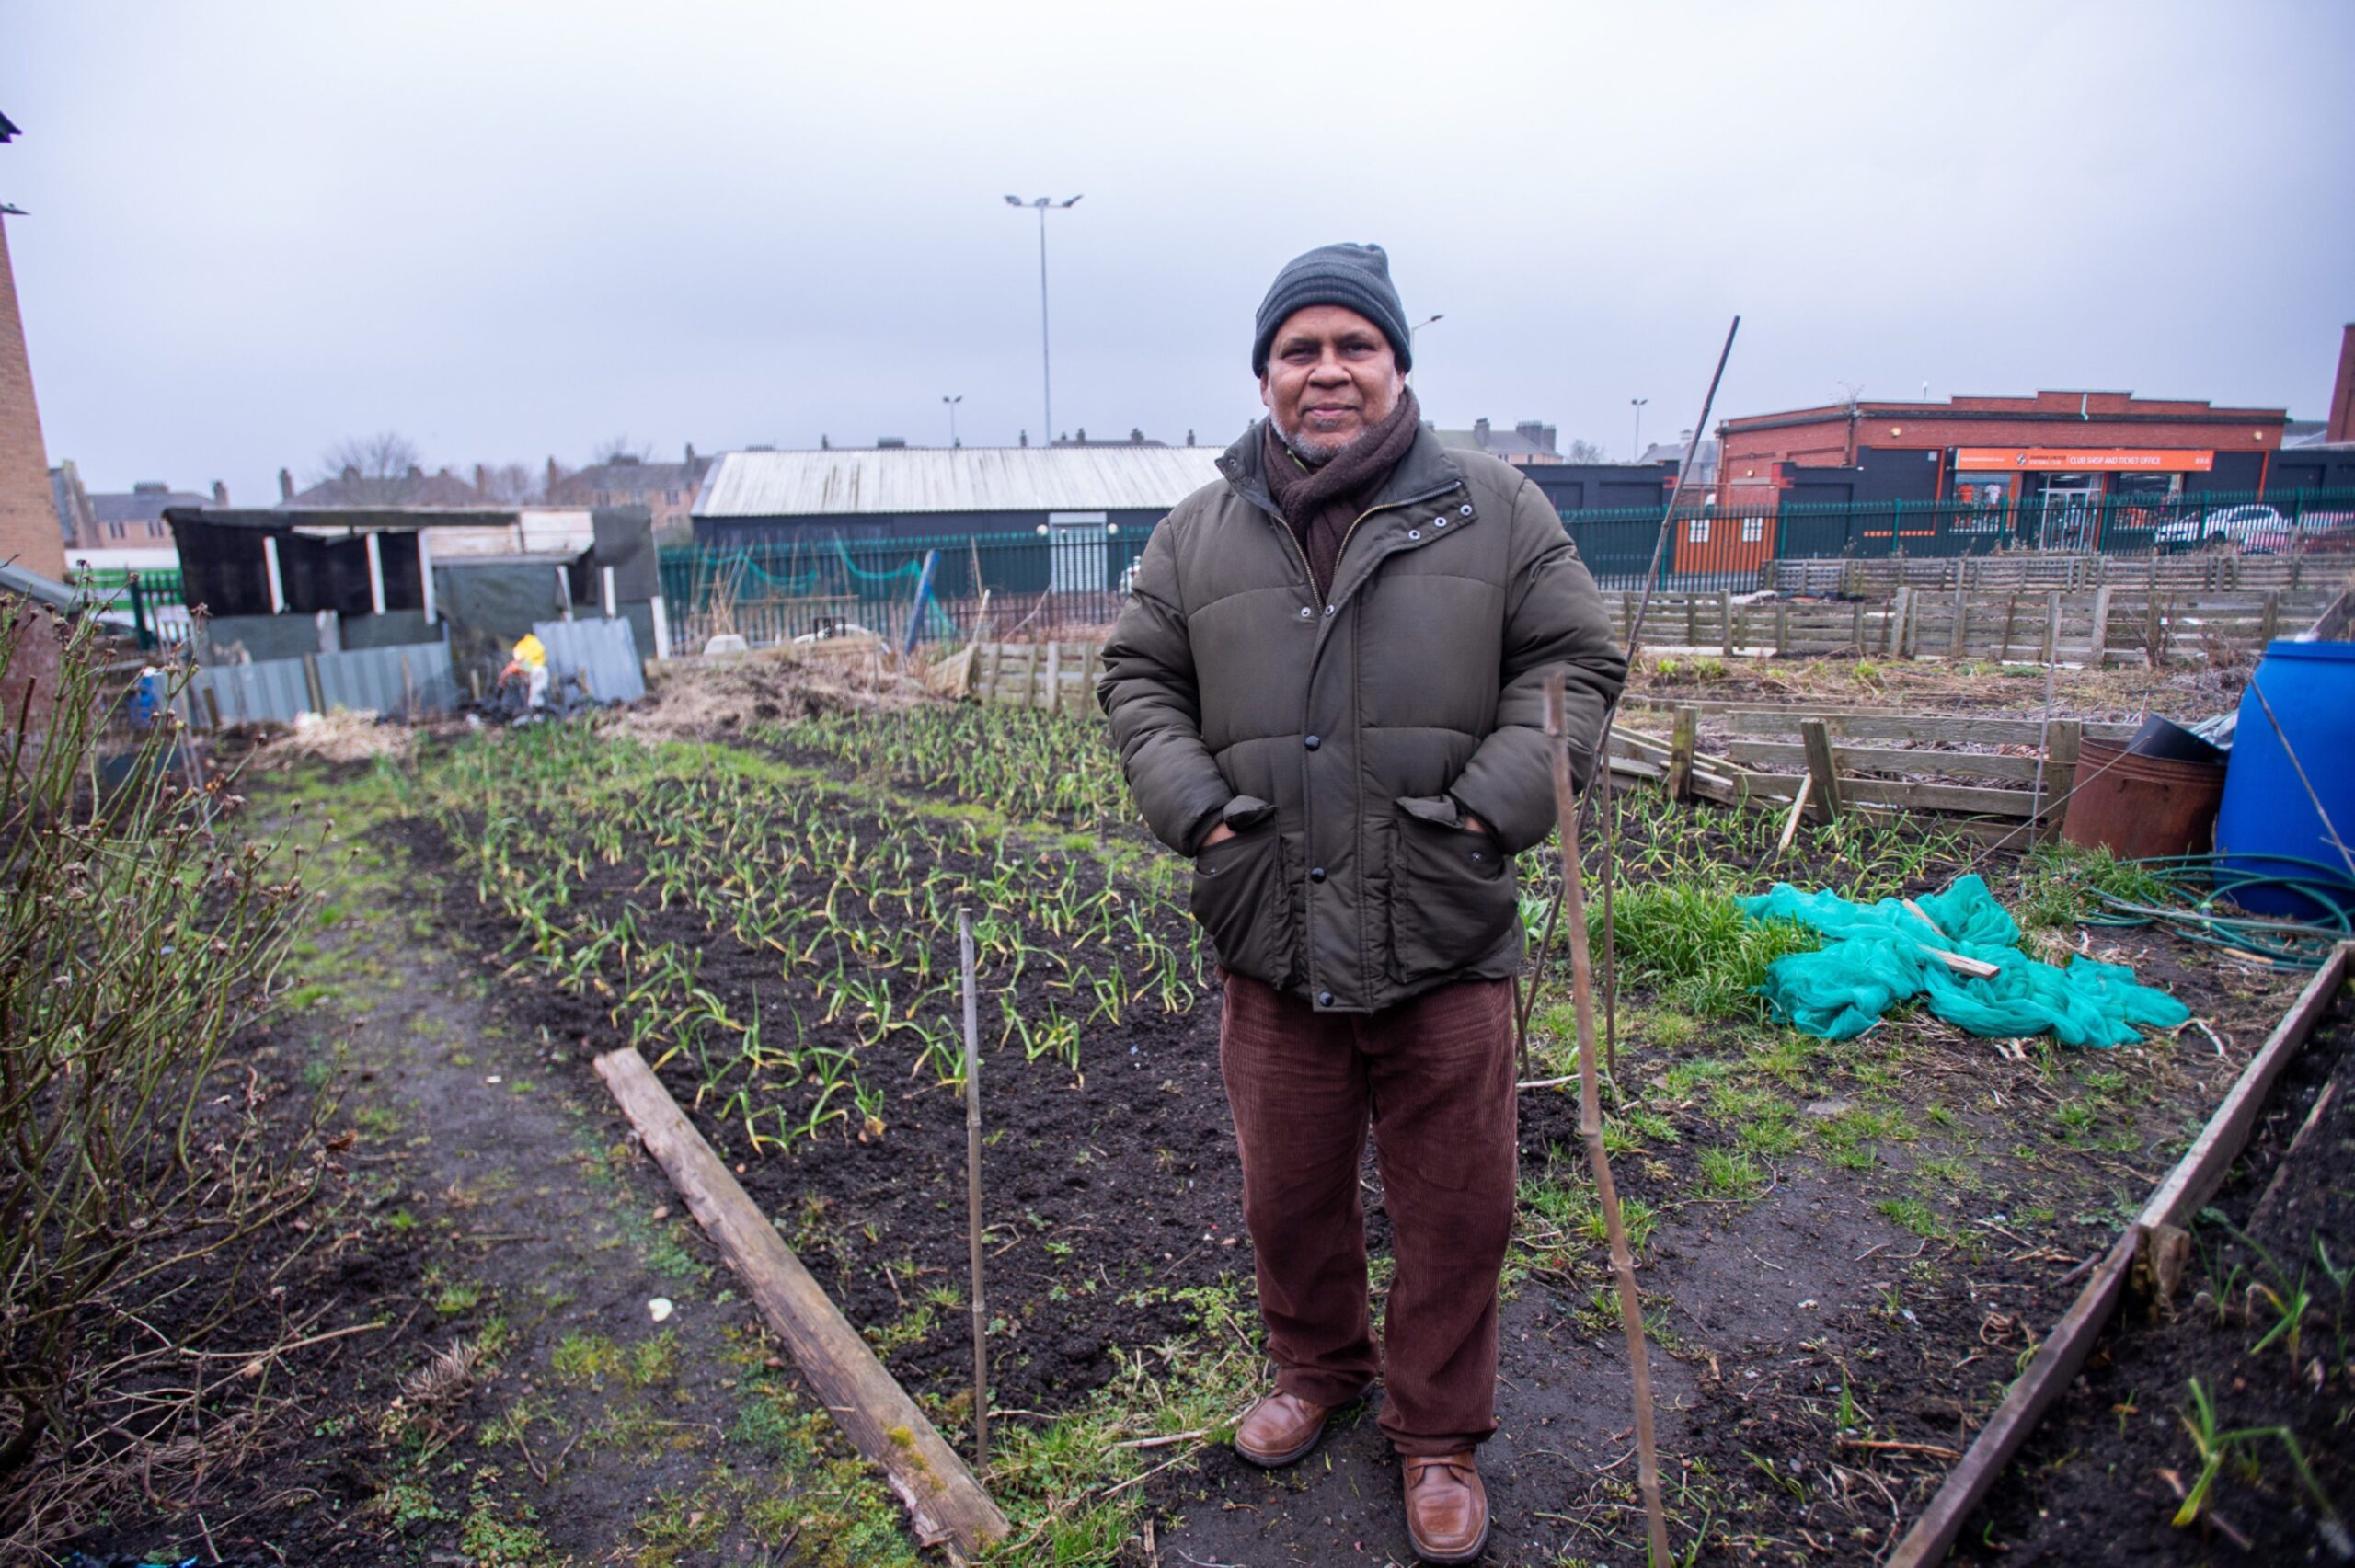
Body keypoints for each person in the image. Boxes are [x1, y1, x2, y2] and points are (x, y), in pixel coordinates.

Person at [1097, 242, 1626, 1562]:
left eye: (1353, 347)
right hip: (1270, 925)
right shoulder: (1200, 528)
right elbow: (1136, 676)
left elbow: (1575, 662)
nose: (1325, 373)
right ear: (1266, 373)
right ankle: (1315, 1368)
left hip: (1443, 927)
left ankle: (1438, 1433)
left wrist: (1487, 812)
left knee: (1458, 1203)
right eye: (1299, 350)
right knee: (1289, 1192)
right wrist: (1204, 817)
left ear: (1397, 364)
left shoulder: (1496, 507)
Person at [501, 632, 550, 713]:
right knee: (539, 694)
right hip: (542, 670)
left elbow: (522, 663)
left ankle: (534, 715)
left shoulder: (520, 647)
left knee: (533, 697)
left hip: (534, 671)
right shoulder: (534, 642)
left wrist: (519, 670)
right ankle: (540, 715)